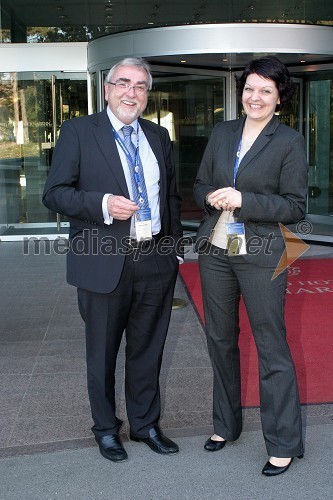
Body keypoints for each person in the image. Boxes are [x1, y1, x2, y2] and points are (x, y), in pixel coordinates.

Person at [43, 57, 183, 462]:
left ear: (147, 93)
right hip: (103, 261)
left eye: (140, 86)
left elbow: (169, 196)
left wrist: (171, 248)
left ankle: (145, 425)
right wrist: (103, 203)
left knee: (148, 348)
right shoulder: (78, 132)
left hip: (155, 258)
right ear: (107, 89)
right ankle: (106, 429)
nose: (131, 93)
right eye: (123, 83)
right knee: (102, 352)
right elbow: (54, 193)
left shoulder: (158, 136)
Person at [193, 56, 308, 476]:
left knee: (271, 344)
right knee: (220, 340)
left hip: (261, 251)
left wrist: (245, 200)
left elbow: (295, 207)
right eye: (249, 89)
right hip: (217, 251)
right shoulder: (223, 132)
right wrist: (213, 197)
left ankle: (282, 441)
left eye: (265, 90)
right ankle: (226, 424)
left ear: (279, 98)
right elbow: (201, 183)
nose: (254, 97)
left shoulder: (288, 141)